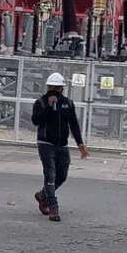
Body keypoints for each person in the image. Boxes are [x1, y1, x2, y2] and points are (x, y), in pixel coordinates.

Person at [31, 72, 89, 222]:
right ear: (48, 87)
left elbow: (74, 124)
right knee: (50, 174)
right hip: (45, 143)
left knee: (62, 175)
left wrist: (80, 144)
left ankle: (42, 195)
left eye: (58, 88)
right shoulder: (41, 103)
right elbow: (36, 120)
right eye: (52, 88)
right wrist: (49, 107)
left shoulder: (67, 104)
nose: (55, 91)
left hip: (62, 144)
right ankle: (53, 207)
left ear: (62, 89)